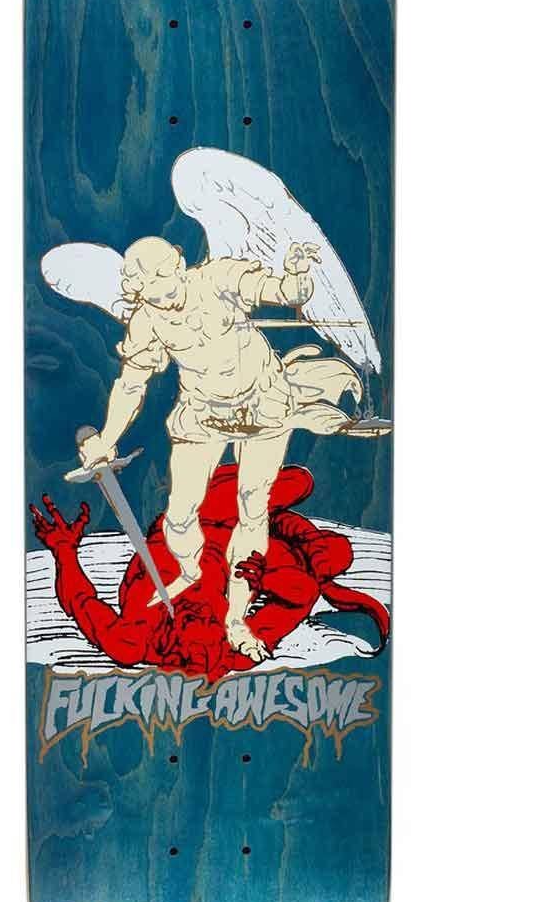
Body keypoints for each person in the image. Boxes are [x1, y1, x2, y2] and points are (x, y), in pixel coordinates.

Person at [75, 237, 362, 659]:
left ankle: (236, 618)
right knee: (178, 517)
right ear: (139, 291)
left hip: (263, 403)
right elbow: (132, 384)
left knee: (252, 507)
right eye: (152, 292)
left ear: (179, 266)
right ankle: (191, 572)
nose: (165, 299)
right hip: (203, 412)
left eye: (167, 285)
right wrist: (107, 439)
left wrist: (297, 271)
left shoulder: (219, 277)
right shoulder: (147, 320)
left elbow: (288, 293)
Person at [30, 464, 389, 683]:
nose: (200, 611)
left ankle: (285, 525)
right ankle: (288, 528)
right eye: (208, 622)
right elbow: (302, 596)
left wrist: (64, 550)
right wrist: (265, 578)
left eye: (193, 621)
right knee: (320, 529)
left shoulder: (131, 640)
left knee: (300, 495)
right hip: (238, 544)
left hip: (196, 519)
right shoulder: (238, 649)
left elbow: (81, 601)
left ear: (173, 642)